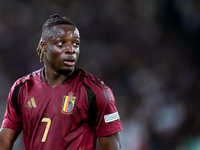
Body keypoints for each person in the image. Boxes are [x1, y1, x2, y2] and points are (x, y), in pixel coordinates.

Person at [0, 14, 123, 150]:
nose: (71, 50)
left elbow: (112, 147)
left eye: (76, 44)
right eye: (61, 43)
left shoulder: (96, 92)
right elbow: (5, 141)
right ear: (44, 46)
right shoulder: (22, 88)